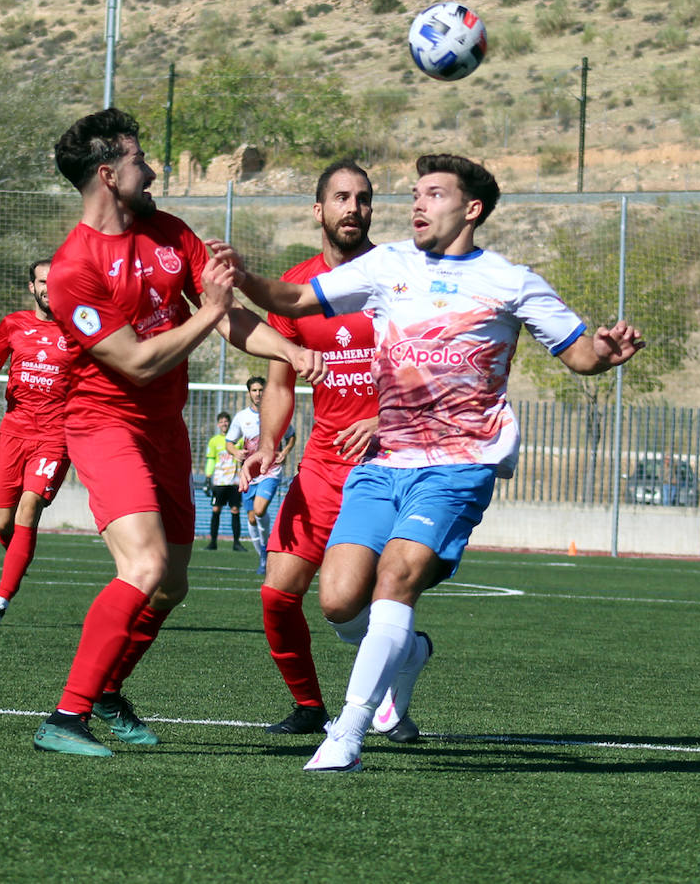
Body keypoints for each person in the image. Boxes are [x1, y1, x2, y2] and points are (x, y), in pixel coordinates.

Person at [227, 152, 645, 772]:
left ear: (471, 209)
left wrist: (605, 353)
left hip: (460, 463)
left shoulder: (512, 280)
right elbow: (290, 297)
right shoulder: (386, 264)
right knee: (340, 601)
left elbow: (579, 356)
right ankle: (408, 653)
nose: (417, 205)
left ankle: (347, 732)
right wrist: (240, 276)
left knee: (396, 576)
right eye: (415, 194)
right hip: (385, 460)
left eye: (433, 194)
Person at [32, 107, 325, 758]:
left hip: (164, 427)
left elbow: (230, 318)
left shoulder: (168, 231)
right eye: (139, 161)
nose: (153, 169)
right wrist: (213, 311)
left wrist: (291, 353)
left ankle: (106, 690)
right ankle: (65, 717)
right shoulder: (73, 268)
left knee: (170, 585)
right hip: (103, 421)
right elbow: (137, 360)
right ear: (108, 175)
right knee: (144, 563)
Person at [239, 158, 381, 738]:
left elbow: (430, 367)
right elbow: (279, 385)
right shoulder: (296, 292)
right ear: (318, 210)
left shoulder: (399, 277)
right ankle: (308, 707)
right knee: (277, 594)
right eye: (342, 197)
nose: (355, 208)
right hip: (323, 465)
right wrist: (268, 444)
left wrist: (384, 415)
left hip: (391, 466)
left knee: (347, 601)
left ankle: (393, 680)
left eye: (364, 198)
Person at [0, 259, 75, 626]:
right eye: (43, 281)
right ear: (32, 287)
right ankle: (19, 556)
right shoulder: (15, 323)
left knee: (29, 507)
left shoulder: (78, 329)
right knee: (5, 523)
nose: (49, 287)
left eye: (55, 281)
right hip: (14, 432)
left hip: (54, 436)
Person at [226, 376, 295, 573]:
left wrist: (285, 451)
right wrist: (236, 452)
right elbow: (229, 442)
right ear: (249, 393)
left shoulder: (277, 415)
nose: (258, 394)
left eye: (261, 390)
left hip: (271, 471)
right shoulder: (241, 418)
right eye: (254, 390)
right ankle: (263, 556)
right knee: (251, 518)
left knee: (259, 510)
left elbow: (291, 436)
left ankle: (268, 548)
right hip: (250, 474)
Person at [203, 411, 244, 552]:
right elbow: (211, 460)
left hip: (234, 481)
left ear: (230, 423)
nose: (224, 424)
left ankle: (236, 543)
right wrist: (208, 478)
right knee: (216, 510)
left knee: (235, 509)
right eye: (221, 421)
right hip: (219, 482)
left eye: (226, 421)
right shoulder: (214, 441)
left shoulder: (239, 440)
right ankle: (213, 542)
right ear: (218, 424)